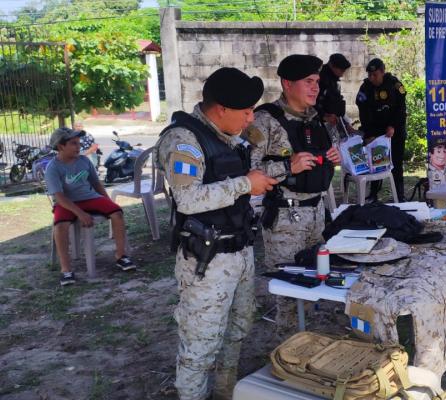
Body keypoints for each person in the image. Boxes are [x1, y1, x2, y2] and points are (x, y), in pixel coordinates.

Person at [155, 67, 276, 400]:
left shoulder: (228, 136)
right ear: (221, 108)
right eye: (246, 111)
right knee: (200, 345)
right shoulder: (183, 141)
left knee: (238, 329)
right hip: (207, 262)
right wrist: (244, 185)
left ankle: (224, 392)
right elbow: (188, 199)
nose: (251, 118)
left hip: (239, 250)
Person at [246, 54, 341, 326]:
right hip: (286, 219)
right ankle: (288, 346)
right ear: (287, 84)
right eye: (308, 81)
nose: (315, 88)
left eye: (317, 82)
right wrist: (288, 166)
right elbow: (248, 171)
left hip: (317, 213)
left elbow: (324, 154)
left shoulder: (317, 118)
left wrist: (333, 157)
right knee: (290, 294)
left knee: (315, 284)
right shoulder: (264, 120)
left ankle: (308, 342)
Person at [46, 127, 137, 286]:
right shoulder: (53, 167)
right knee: (60, 226)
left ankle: (121, 255)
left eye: (79, 143)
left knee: (117, 213)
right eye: (74, 143)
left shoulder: (84, 161)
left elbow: (96, 184)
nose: (79, 146)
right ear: (61, 146)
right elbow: (59, 197)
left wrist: (109, 202)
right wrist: (80, 213)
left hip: (89, 198)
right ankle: (66, 269)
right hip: (66, 202)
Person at [355, 58, 407, 202]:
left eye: (375, 75)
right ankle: (373, 194)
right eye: (369, 75)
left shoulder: (395, 85)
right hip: (375, 132)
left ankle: (399, 196)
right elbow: (364, 113)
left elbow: (401, 110)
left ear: (383, 72)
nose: (372, 78)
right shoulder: (365, 88)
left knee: (396, 164)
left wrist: (393, 126)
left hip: (395, 132)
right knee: (375, 164)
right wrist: (369, 134)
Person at [316, 53, 354, 136]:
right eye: (341, 70)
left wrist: (346, 123)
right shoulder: (321, 79)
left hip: (333, 122)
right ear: (332, 65)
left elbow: (338, 103)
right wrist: (323, 116)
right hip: (320, 124)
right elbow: (314, 104)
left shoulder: (333, 80)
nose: (342, 74)